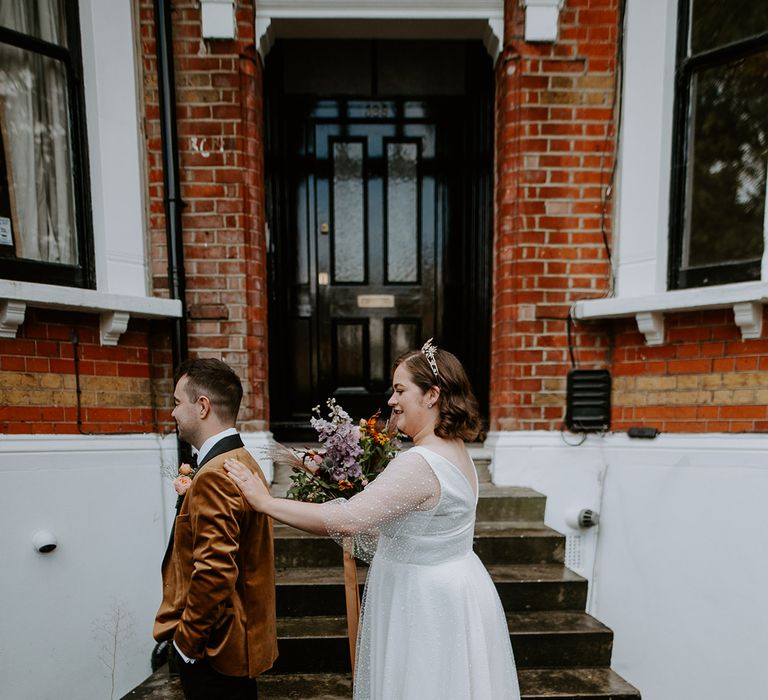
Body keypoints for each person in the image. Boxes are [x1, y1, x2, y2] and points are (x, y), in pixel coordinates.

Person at [224, 341, 520, 699]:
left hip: (423, 601)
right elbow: (412, 526)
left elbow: (349, 519)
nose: (392, 401)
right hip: (458, 588)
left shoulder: (420, 463)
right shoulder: (458, 452)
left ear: (432, 395)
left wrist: (265, 502)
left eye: (399, 390)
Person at [154, 358, 278, 700]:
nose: (173, 413)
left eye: (178, 403)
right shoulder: (242, 460)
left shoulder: (214, 475)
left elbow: (214, 571)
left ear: (203, 406)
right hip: (236, 643)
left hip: (215, 652)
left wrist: (185, 643)